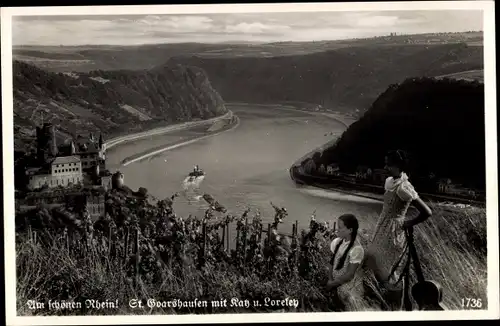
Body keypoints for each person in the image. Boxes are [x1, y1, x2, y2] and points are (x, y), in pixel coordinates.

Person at [365, 150, 433, 304]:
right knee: (372, 259)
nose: (385, 166)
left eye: (388, 164)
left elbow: (426, 212)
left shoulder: (404, 187)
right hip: (382, 227)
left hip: (394, 232)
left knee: (390, 268)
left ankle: (396, 305)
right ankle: (380, 299)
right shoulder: (390, 181)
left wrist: (407, 223)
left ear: (397, 166)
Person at [326, 214, 372, 311]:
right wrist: (330, 279)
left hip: (350, 290)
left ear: (350, 230)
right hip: (335, 285)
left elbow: (349, 275)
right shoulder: (337, 242)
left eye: (340, 227)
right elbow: (331, 262)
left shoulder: (356, 249)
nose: (337, 230)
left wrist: (332, 284)